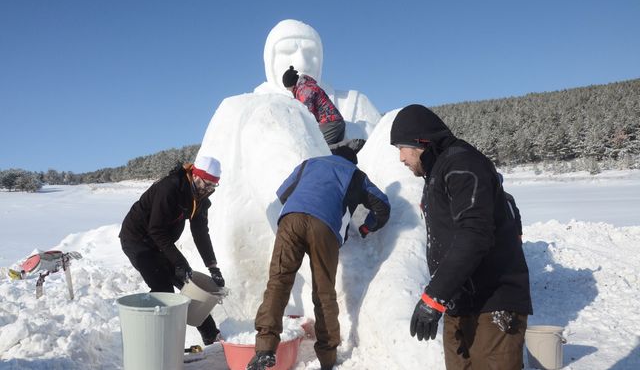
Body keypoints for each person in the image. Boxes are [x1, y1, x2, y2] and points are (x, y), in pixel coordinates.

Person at [389, 104, 532, 369]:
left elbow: (474, 233)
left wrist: (434, 296)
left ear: (420, 141)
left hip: (492, 301)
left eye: (401, 147)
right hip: (458, 302)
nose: (400, 158)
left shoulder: (462, 164)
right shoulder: (437, 173)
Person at [246, 146, 391, 370]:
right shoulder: (356, 175)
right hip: (324, 227)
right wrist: (366, 227)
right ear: (353, 162)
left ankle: (265, 349)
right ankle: (327, 357)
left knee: (279, 282)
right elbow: (382, 206)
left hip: (290, 220)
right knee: (323, 292)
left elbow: (283, 193)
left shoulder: (310, 163)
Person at [119, 155, 226, 346]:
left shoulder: (200, 197)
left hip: (160, 241)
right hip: (137, 240)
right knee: (163, 289)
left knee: (188, 283)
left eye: (213, 186)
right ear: (195, 175)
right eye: (206, 184)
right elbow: (156, 229)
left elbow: (201, 233)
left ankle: (211, 335)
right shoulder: (170, 188)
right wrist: (179, 262)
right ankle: (160, 345)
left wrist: (213, 267)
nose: (208, 189)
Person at [283, 65, 346, 146]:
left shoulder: (304, 90)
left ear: (292, 85)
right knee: (333, 154)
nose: (288, 90)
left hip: (329, 123)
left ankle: (351, 145)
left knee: (319, 148)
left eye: (287, 88)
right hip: (336, 122)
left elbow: (307, 115)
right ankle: (346, 148)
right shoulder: (307, 85)